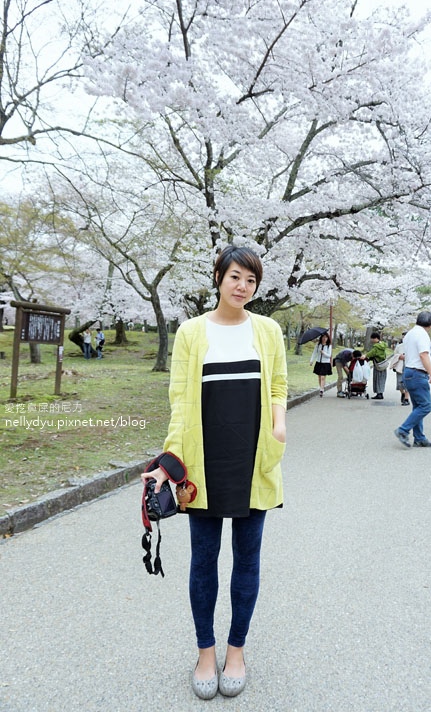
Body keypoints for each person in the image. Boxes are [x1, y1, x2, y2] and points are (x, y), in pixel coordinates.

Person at [141, 245, 287, 700]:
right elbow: (179, 400)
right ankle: (206, 651)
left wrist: (280, 423)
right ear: (219, 277)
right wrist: (167, 463)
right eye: (235, 277)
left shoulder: (269, 330)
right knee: (203, 562)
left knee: (247, 561)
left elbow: (279, 383)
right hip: (203, 463)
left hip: (254, 460)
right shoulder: (191, 331)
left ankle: (236, 649)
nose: (243, 287)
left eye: (251, 280)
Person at [394, 311, 431, 448]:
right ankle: (403, 430)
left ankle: (419, 438)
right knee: (425, 406)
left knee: (418, 406)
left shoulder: (410, 334)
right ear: (430, 324)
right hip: (418, 373)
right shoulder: (423, 335)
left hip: (409, 372)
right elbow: (424, 355)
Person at [364, 332, 387, 399]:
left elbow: (371, 353)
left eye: (372, 338)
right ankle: (380, 393)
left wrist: (365, 355)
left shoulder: (376, 347)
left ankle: (379, 394)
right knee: (382, 379)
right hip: (382, 364)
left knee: (377, 379)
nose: (371, 340)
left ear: (376, 338)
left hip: (378, 365)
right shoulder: (382, 345)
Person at [310, 332, 332, 397]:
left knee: (323, 377)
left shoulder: (329, 346)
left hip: (325, 363)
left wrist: (323, 353)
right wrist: (311, 360)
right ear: (321, 338)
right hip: (319, 362)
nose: (324, 338)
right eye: (323, 337)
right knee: (319, 377)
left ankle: (321, 390)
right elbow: (314, 353)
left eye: (326, 337)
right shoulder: (318, 345)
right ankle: (321, 388)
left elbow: (329, 355)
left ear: (328, 338)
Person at [390, 332, 410, 406]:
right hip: (400, 365)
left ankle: (407, 398)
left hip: (409, 365)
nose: (404, 338)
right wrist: (399, 356)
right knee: (400, 382)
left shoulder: (413, 346)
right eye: (403, 337)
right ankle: (403, 393)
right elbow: (395, 355)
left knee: (408, 382)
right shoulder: (399, 346)